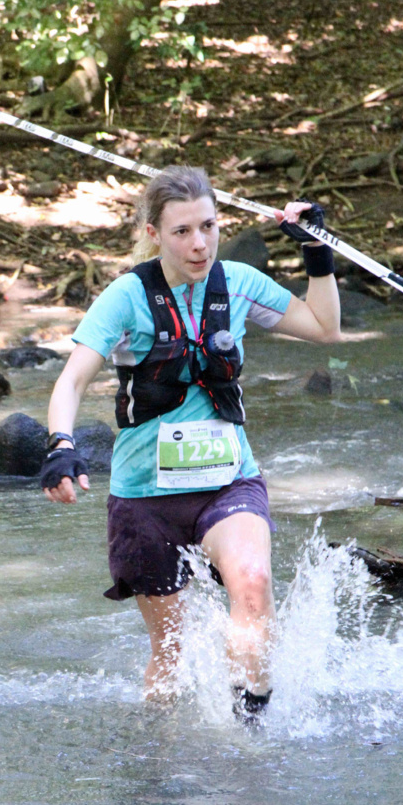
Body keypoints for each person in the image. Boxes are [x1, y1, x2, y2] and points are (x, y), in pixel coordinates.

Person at [40, 165, 340, 722]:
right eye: (182, 231)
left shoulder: (240, 284)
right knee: (170, 650)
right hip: (144, 497)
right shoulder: (126, 297)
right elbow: (72, 379)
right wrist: (61, 443)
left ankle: (251, 728)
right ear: (154, 233)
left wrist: (318, 255)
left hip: (228, 482)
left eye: (208, 226)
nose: (199, 243)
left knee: (251, 581)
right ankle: (163, 766)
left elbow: (324, 326)